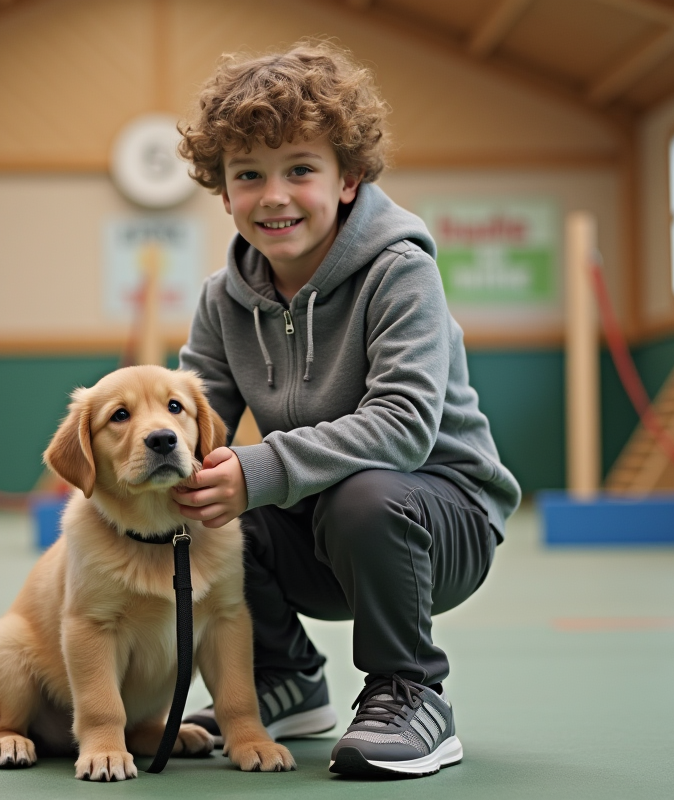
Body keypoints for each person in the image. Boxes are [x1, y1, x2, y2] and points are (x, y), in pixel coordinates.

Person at [172, 40, 521, 779]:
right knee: (212, 496)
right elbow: (188, 417)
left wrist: (259, 466)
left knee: (359, 493)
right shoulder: (220, 299)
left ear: (349, 177)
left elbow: (403, 425)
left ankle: (411, 690)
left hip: (436, 522)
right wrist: (146, 478)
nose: (274, 195)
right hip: (318, 528)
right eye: (248, 175)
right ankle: (284, 679)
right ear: (223, 190)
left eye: (301, 168)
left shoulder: (401, 271)